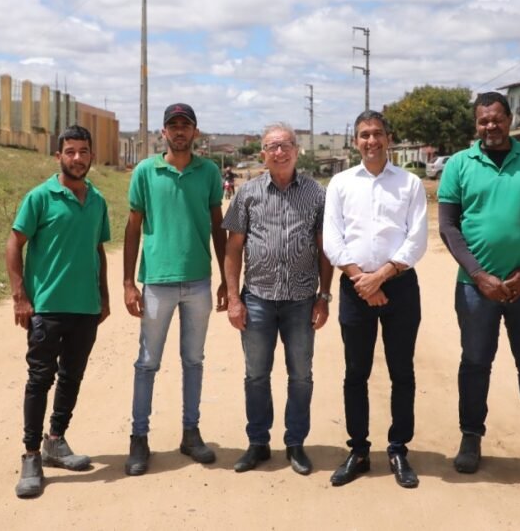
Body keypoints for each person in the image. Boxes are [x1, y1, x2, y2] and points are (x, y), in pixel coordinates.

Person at [437, 91, 520, 478]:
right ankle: (470, 438)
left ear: (509, 119)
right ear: (475, 124)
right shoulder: (460, 165)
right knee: (475, 363)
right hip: (474, 288)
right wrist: (479, 275)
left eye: (496, 119)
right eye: (482, 121)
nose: (490, 126)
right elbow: (448, 226)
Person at [323, 110, 428, 489]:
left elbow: (416, 238)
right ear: (355, 141)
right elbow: (332, 238)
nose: (371, 141)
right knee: (356, 373)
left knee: (402, 372)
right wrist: (360, 280)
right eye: (364, 135)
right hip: (355, 288)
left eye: (378, 134)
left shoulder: (410, 183)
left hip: (399, 284)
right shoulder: (340, 183)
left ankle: (398, 449)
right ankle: (359, 451)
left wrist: (381, 276)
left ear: (389, 138)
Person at [5, 124, 111, 498]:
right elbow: (15, 243)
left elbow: (97, 250)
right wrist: (20, 296)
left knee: (72, 377)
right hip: (47, 307)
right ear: (58, 156)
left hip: (85, 307)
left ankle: (56, 440)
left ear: (91, 157)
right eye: (70, 152)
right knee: (40, 379)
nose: (77, 158)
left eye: (83, 152)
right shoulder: (40, 197)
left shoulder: (97, 200)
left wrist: (105, 296)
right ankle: (31, 454)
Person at [123, 103, 228, 475]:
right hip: (156, 283)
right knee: (147, 362)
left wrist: (228, 281)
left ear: (195, 132)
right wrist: (128, 283)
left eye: (186, 125)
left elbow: (218, 227)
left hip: (198, 281)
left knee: (194, 361)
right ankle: (139, 439)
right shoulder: (145, 171)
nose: (179, 131)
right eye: (173, 125)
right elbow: (133, 227)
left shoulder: (209, 172)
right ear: (163, 132)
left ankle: (191, 433)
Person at [222, 123, 333, 476]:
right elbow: (233, 247)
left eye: (285, 145)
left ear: (297, 150)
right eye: (272, 146)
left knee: (301, 375)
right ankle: (258, 443)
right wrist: (235, 299)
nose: (279, 152)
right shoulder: (248, 193)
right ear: (262, 154)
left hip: (301, 300)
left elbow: (324, 250)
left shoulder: (317, 194)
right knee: (256, 375)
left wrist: (324, 296)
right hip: (258, 299)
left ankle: (296, 444)